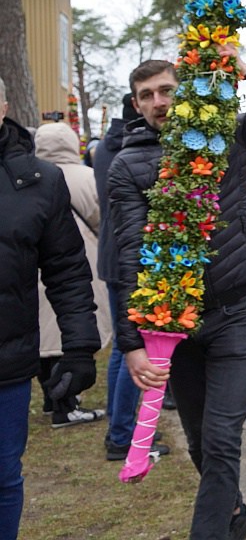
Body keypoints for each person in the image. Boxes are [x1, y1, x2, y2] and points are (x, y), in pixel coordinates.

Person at [109, 55, 246, 540]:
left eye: (166, 90)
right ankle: (232, 515)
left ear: (185, 89)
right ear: (136, 104)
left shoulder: (233, 133)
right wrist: (132, 343)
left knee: (224, 437)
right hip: (175, 325)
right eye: (146, 96)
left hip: (238, 310)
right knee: (201, 440)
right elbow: (128, 256)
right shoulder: (129, 164)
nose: (158, 102)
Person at [1, 76, 101, 540]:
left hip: (8, 364)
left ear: (3, 106)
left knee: (3, 480)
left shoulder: (39, 180)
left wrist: (79, 348)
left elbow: (66, 269)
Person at [94, 94, 171, 460]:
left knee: (119, 353)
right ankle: (123, 431)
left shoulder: (106, 148)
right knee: (133, 346)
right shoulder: (126, 153)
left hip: (113, 253)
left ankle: (118, 426)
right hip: (128, 256)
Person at [33, 122, 111, 427]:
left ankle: (50, 399)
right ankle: (67, 403)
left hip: (35, 267)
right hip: (79, 263)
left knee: (44, 334)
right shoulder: (88, 177)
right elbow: (102, 217)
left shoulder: (28, 177)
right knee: (69, 332)